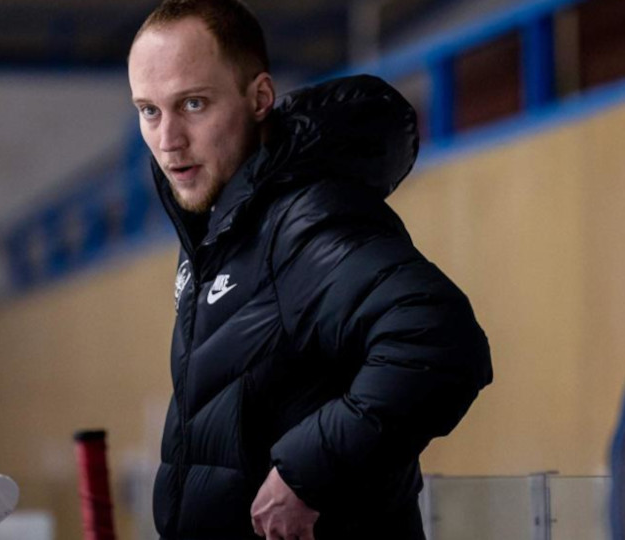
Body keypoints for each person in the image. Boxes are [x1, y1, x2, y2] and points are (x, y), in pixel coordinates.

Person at [127, 1, 493, 538]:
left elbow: (437, 338)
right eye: (149, 111)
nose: (168, 140)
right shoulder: (218, 223)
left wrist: (309, 472)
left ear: (259, 98)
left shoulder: (301, 220)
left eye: (194, 104)